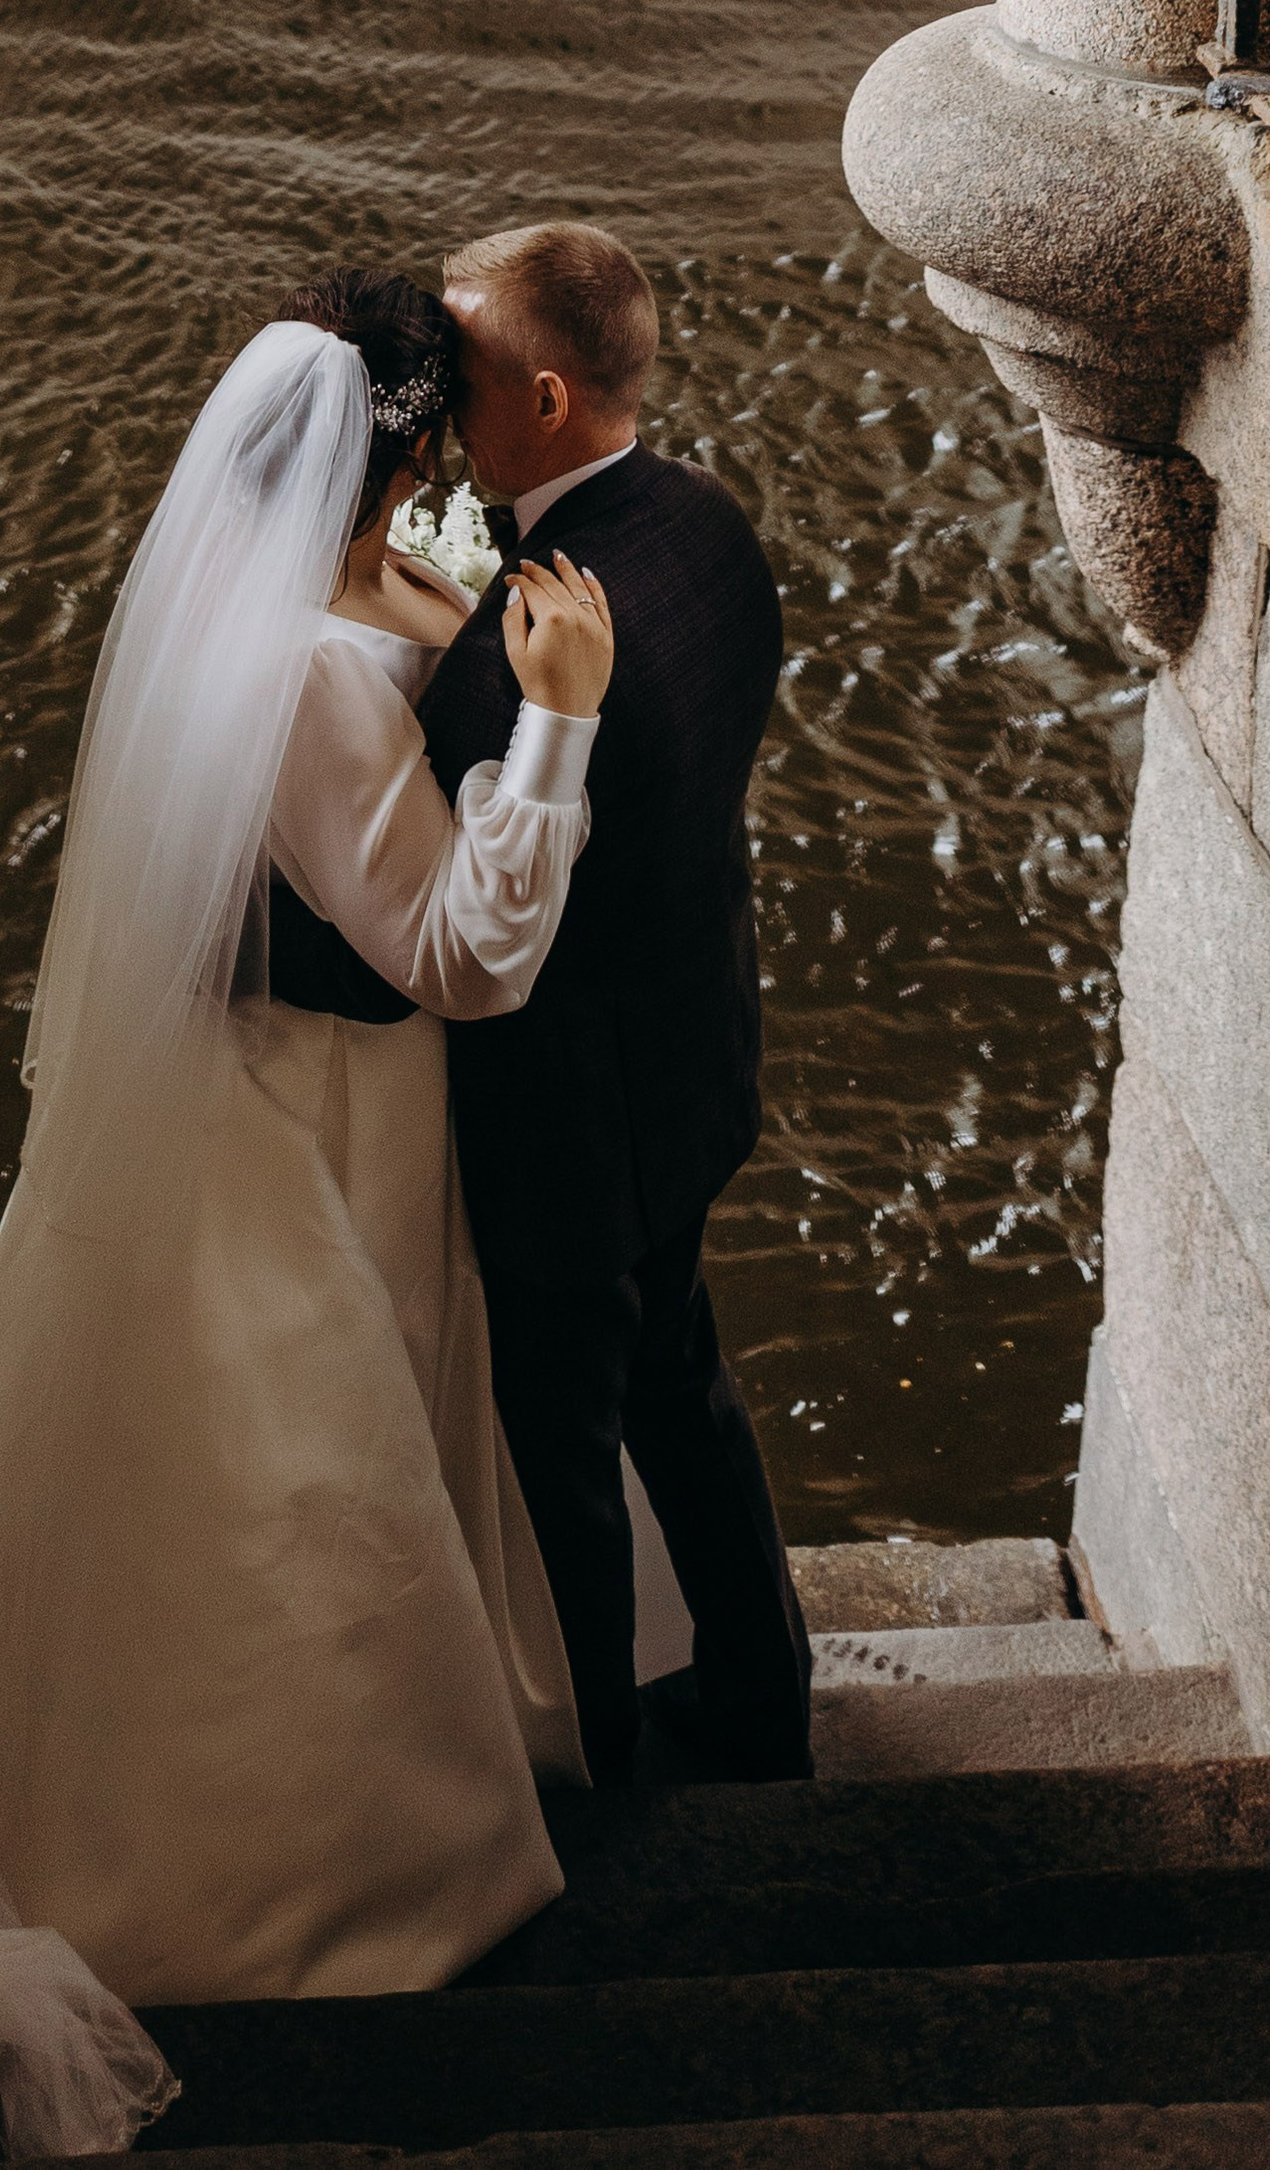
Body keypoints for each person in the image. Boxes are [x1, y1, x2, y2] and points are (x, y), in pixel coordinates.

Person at [0, 271, 615, 2162]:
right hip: (313, 1113)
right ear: (393, 449)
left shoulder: (321, 574)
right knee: (292, 1473)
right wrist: (553, 730)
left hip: (318, 1094)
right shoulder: (305, 674)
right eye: (439, 436)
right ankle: (278, 1863)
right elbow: (457, 954)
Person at [419, 218, 811, 1790]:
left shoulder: (528, 652)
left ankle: (597, 1772)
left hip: (567, 1131)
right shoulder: (711, 527)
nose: (445, 396)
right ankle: (766, 1696)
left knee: (563, 1461)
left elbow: (478, 885)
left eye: (467, 365)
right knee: (687, 1391)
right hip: (693, 1060)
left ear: (553, 398)